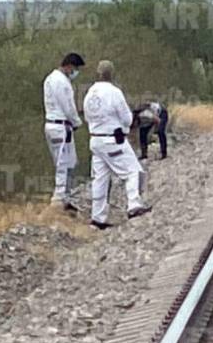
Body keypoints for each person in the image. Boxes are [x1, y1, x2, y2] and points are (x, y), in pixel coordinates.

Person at [83, 60, 152, 230]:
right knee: (133, 171)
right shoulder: (114, 92)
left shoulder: (89, 93)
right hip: (113, 140)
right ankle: (134, 204)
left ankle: (97, 217)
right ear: (111, 74)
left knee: (100, 179)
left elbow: (87, 117)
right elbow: (127, 118)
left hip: (95, 140)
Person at [43, 52, 85, 211]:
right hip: (61, 126)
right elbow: (68, 106)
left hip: (52, 125)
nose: (75, 72)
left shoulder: (50, 78)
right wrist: (76, 122)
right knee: (64, 163)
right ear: (69, 66)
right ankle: (59, 199)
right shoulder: (61, 82)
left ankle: (64, 197)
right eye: (75, 69)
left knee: (66, 162)